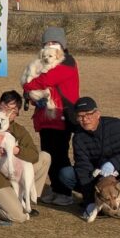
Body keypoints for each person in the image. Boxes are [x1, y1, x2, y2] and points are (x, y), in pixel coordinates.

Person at [0, 91, 51, 223]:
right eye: (5, 107)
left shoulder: (19, 130)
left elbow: (34, 155)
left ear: (16, 113)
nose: (7, 112)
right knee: (18, 217)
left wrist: (15, 149)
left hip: (13, 171)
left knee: (44, 157)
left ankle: (26, 199)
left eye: (13, 110)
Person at [58, 97, 120, 218]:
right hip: (96, 176)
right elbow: (83, 168)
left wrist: (113, 163)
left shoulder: (118, 125)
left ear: (97, 114)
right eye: (80, 116)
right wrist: (89, 202)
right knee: (66, 174)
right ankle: (99, 199)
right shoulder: (78, 137)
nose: (85, 119)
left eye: (88, 114)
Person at [22, 26, 79, 206]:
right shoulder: (41, 63)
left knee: (60, 154)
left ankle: (65, 192)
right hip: (45, 117)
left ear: (62, 45)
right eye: (48, 43)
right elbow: (38, 85)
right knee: (47, 155)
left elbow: (47, 80)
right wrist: (31, 95)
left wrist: (27, 86)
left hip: (62, 116)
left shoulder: (67, 62)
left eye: (55, 43)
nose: (51, 46)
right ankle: (55, 189)